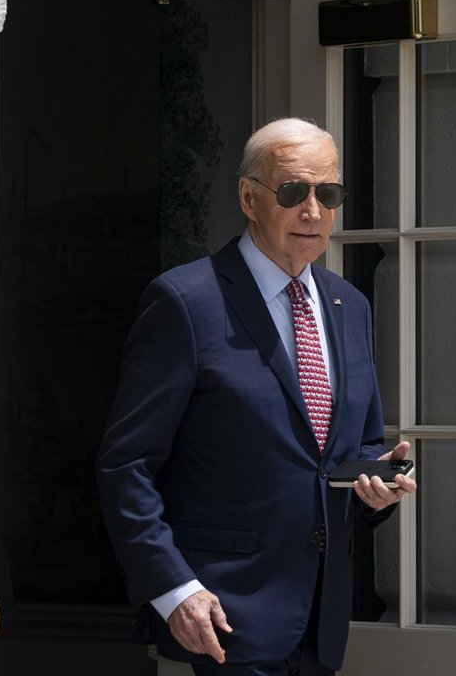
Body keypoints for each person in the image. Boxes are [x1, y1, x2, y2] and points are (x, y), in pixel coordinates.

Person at [96, 117, 416, 675]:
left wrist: (376, 487)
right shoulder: (185, 302)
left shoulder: (350, 306)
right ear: (249, 198)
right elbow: (126, 465)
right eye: (293, 192)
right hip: (219, 617)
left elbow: (349, 452)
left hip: (320, 622)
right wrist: (174, 590)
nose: (313, 211)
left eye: (328, 194)